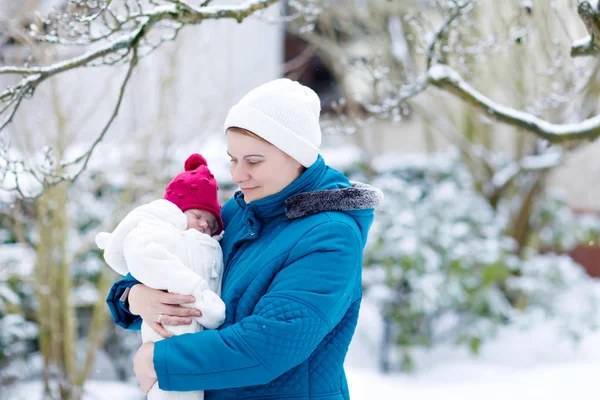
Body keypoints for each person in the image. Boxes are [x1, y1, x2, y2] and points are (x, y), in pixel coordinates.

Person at [106, 78, 383, 400]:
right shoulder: (240, 213)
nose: (237, 175)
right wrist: (133, 295)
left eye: (253, 161)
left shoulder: (331, 236)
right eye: (232, 159)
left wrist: (161, 361)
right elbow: (179, 256)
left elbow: (271, 344)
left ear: (297, 155)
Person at [98, 153, 226, 400]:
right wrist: (131, 294)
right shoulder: (163, 233)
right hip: (171, 340)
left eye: (211, 224)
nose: (203, 227)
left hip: (203, 351)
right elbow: (147, 264)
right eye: (197, 217)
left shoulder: (214, 243)